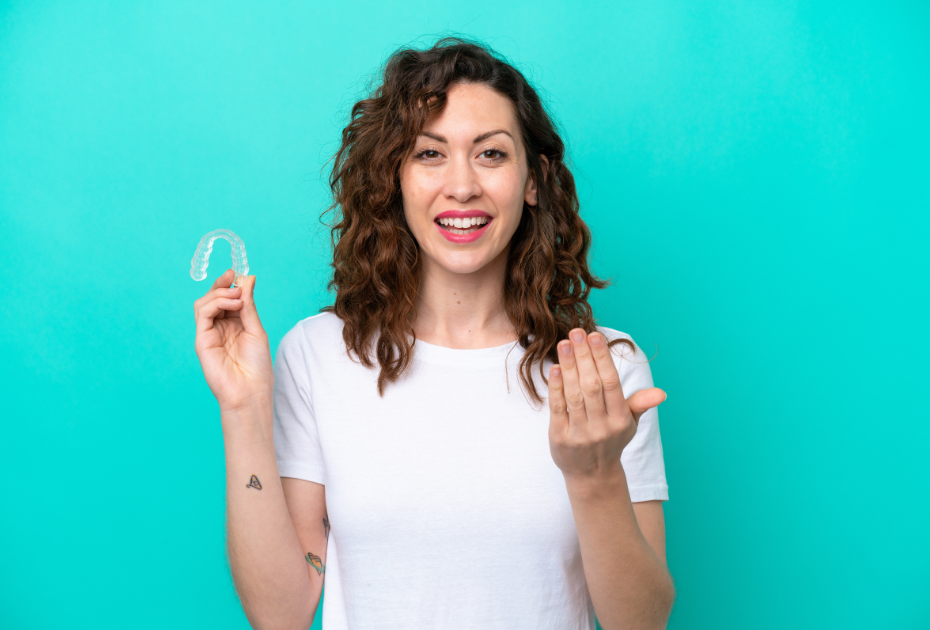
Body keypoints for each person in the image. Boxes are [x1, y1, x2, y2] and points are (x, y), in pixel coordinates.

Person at [194, 37, 674, 630]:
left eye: (491, 154)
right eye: (429, 154)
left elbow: (643, 622)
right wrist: (243, 408)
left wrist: (596, 475)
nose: (462, 185)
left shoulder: (602, 370)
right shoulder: (318, 354)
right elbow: (281, 613)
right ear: (394, 176)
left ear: (533, 178)